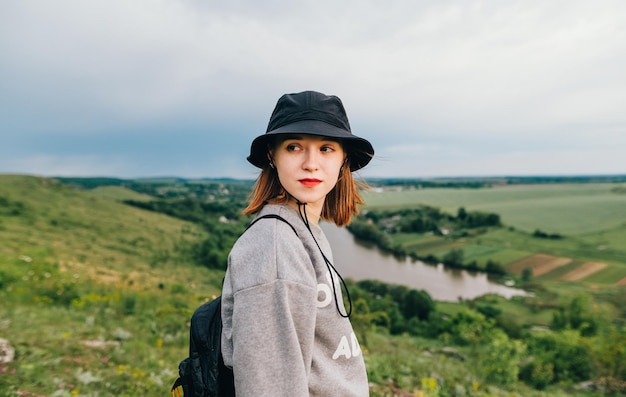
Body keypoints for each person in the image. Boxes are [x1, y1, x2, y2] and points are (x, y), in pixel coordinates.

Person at [220, 90, 375, 396]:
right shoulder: (274, 247)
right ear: (271, 156)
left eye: (326, 148)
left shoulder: (302, 232)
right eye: (294, 147)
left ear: (343, 158)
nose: (311, 163)